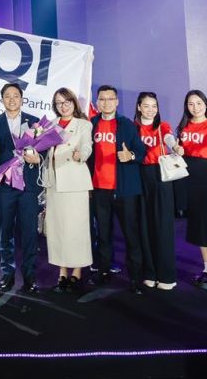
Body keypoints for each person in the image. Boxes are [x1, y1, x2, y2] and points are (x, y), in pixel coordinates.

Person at [87, 85, 146, 289]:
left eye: (110, 99)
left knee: (131, 234)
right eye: (102, 99)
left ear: (117, 101)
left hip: (125, 189)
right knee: (103, 233)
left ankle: (135, 277)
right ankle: (103, 270)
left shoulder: (127, 124)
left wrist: (130, 155)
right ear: (97, 102)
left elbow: (141, 151)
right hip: (99, 188)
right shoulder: (91, 124)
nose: (106, 103)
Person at [0, 83, 43, 294]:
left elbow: (43, 151)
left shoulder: (33, 122)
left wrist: (38, 158)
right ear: (2, 99)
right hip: (5, 186)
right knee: (6, 230)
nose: (12, 99)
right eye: (7, 96)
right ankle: (7, 274)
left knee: (29, 232)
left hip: (28, 185)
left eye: (16, 96)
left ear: (22, 98)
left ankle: (30, 277)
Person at [44, 87, 94, 291]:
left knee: (76, 229)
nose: (63, 106)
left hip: (75, 183)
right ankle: (62, 272)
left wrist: (81, 155)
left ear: (73, 103)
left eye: (67, 102)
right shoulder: (50, 125)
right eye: (59, 103)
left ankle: (77, 272)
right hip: (54, 183)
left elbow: (87, 146)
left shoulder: (83, 124)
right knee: (58, 229)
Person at [176, 89, 207, 290]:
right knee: (198, 224)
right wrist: (177, 149)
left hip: (206, 179)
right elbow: (179, 149)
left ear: (205, 104)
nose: (195, 107)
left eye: (198, 103)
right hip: (188, 179)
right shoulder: (184, 127)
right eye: (191, 104)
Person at [134, 92, 180, 291]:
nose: (150, 110)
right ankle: (149, 273)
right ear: (139, 107)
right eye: (146, 106)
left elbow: (169, 137)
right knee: (144, 225)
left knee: (163, 224)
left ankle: (166, 275)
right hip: (140, 176)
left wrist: (175, 145)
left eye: (154, 106)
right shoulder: (133, 127)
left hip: (161, 175)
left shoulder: (162, 126)